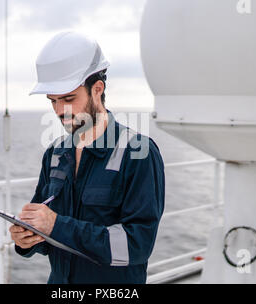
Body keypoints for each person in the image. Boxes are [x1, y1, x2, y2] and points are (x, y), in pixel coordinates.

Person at [9, 31, 165, 284]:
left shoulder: (139, 153)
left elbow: (137, 245)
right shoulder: (55, 154)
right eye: (53, 101)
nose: (60, 110)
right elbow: (47, 234)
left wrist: (56, 225)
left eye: (69, 99)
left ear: (97, 89)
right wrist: (27, 239)